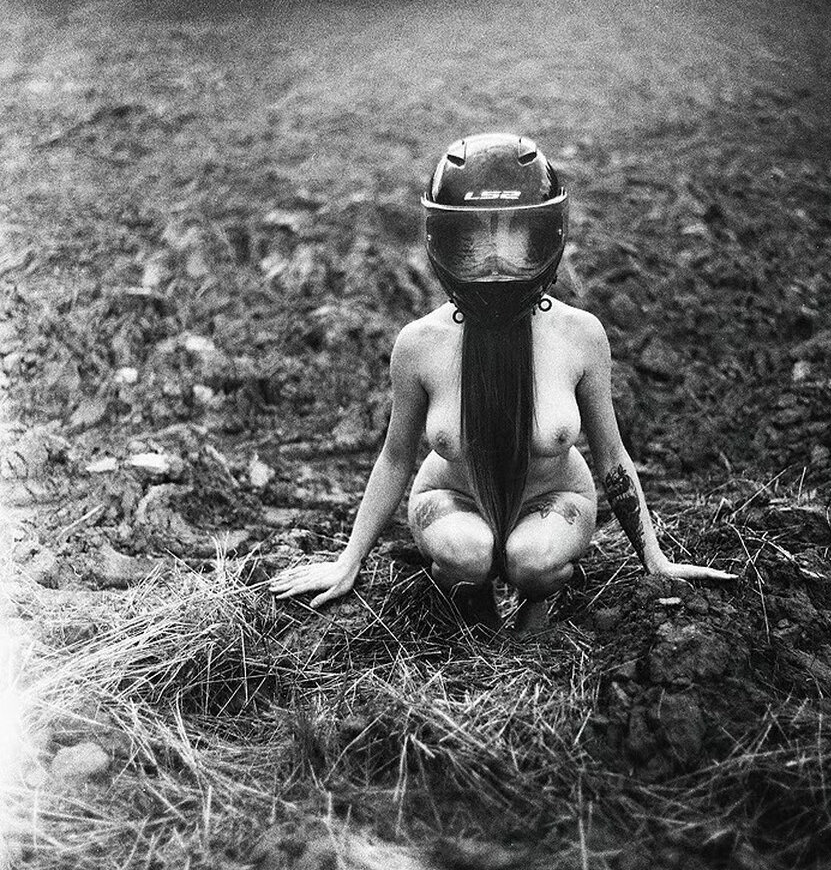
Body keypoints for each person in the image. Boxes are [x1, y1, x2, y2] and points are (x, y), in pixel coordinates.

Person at [268, 132, 733, 633]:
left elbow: (612, 455)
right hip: (455, 498)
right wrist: (348, 561)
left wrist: (655, 560)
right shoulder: (419, 343)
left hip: (552, 500)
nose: (495, 263)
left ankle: (543, 595)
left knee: (533, 559)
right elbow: (396, 457)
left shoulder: (580, 335)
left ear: (546, 235)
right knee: (465, 553)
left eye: (514, 237)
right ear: (443, 241)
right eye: (474, 242)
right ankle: (469, 595)